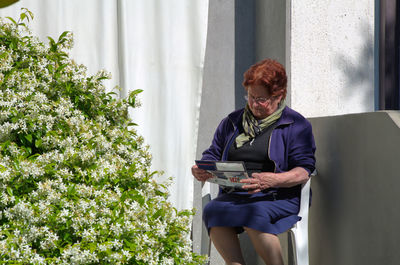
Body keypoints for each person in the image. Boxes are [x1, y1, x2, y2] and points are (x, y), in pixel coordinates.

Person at [191, 59, 316, 265]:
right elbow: (212, 153)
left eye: (261, 99)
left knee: (254, 212)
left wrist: (273, 180)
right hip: (236, 194)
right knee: (213, 210)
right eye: (250, 97)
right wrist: (202, 168)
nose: (254, 104)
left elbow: (304, 170)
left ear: (278, 96)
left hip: (278, 196)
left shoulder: (295, 124)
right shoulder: (232, 121)